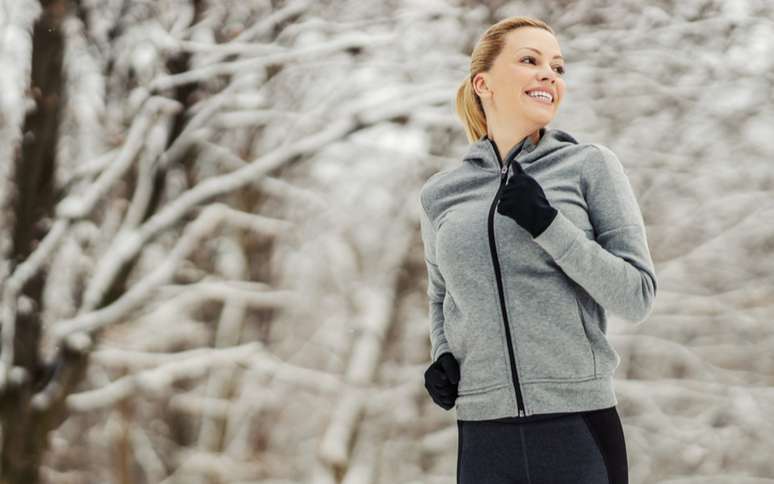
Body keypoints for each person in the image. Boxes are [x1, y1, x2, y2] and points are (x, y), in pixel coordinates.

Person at [419, 16, 658, 484]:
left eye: (558, 67)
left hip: (577, 428)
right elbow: (440, 295)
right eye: (529, 60)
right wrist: (442, 355)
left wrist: (548, 225)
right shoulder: (441, 193)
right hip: (483, 435)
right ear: (483, 83)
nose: (549, 74)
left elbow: (638, 294)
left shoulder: (589, 167)